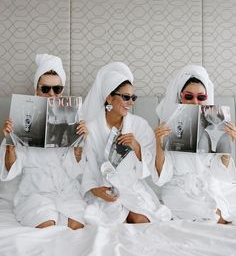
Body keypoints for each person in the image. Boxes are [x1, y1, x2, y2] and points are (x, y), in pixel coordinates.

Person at [0, 54, 88, 229]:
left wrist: (79, 144)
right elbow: (11, 171)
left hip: (66, 192)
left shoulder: (73, 119)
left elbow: (76, 171)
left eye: (57, 89)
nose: (52, 94)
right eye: (45, 89)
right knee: (47, 223)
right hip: (35, 193)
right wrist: (10, 142)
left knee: (76, 227)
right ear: (36, 90)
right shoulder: (21, 119)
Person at [81, 62, 171, 226]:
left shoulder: (139, 125)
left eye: (133, 98)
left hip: (132, 187)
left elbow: (151, 168)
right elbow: (87, 167)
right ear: (109, 97)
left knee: (141, 219)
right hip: (106, 189)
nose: (131, 102)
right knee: (110, 220)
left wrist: (136, 147)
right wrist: (96, 190)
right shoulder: (91, 129)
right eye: (126, 97)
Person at [153, 64, 236, 224]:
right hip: (178, 189)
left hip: (208, 184)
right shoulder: (167, 126)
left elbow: (221, 173)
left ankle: (215, 214)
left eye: (201, 97)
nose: (195, 102)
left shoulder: (215, 124)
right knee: (211, 214)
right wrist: (159, 144)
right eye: (189, 97)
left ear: (207, 97)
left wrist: (226, 146)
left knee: (220, 210)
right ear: (180, 96)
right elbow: (162, 176)